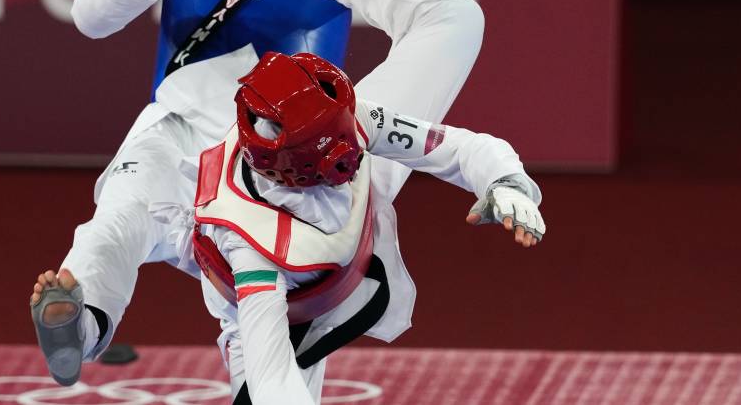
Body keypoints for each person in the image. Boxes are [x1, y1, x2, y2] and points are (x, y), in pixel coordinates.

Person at [29, 0, 615, 387]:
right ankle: (83, 321)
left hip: (306, 161)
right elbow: (91, 15)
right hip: (185, 133)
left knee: (271, 349)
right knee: (120, 215)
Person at [187, 50, 543, 404]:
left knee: (456, 23)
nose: (347, 149)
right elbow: (272, 381)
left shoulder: (344, 120)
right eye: (330, 150)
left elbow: (456, 147)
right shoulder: (250, 249)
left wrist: (505, 181)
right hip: (289, 300)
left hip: (358, 209)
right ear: (291, 164)